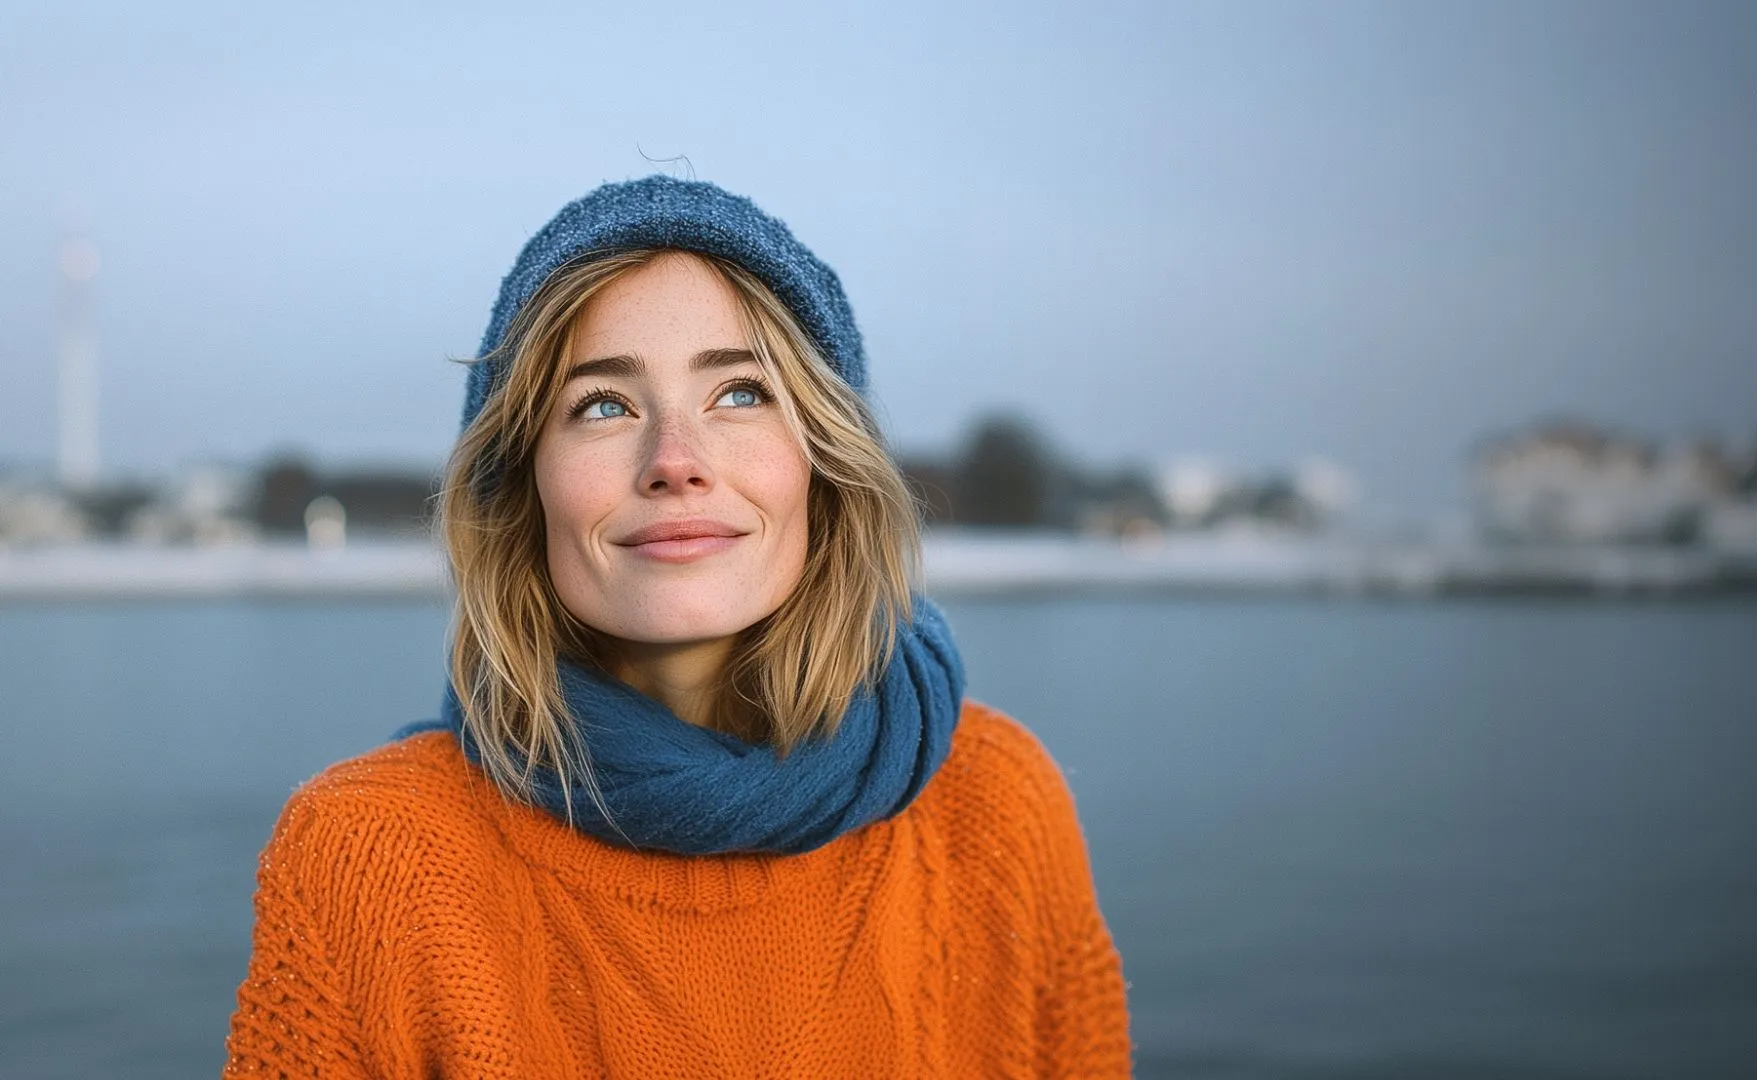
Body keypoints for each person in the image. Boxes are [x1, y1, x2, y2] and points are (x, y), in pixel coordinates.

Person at [222, 176, 1131, 1077]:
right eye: (603, 405)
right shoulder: (367, 858)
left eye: (739, 392)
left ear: (826, 459)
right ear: (520, 491)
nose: (675, 462)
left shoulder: (999, 807)